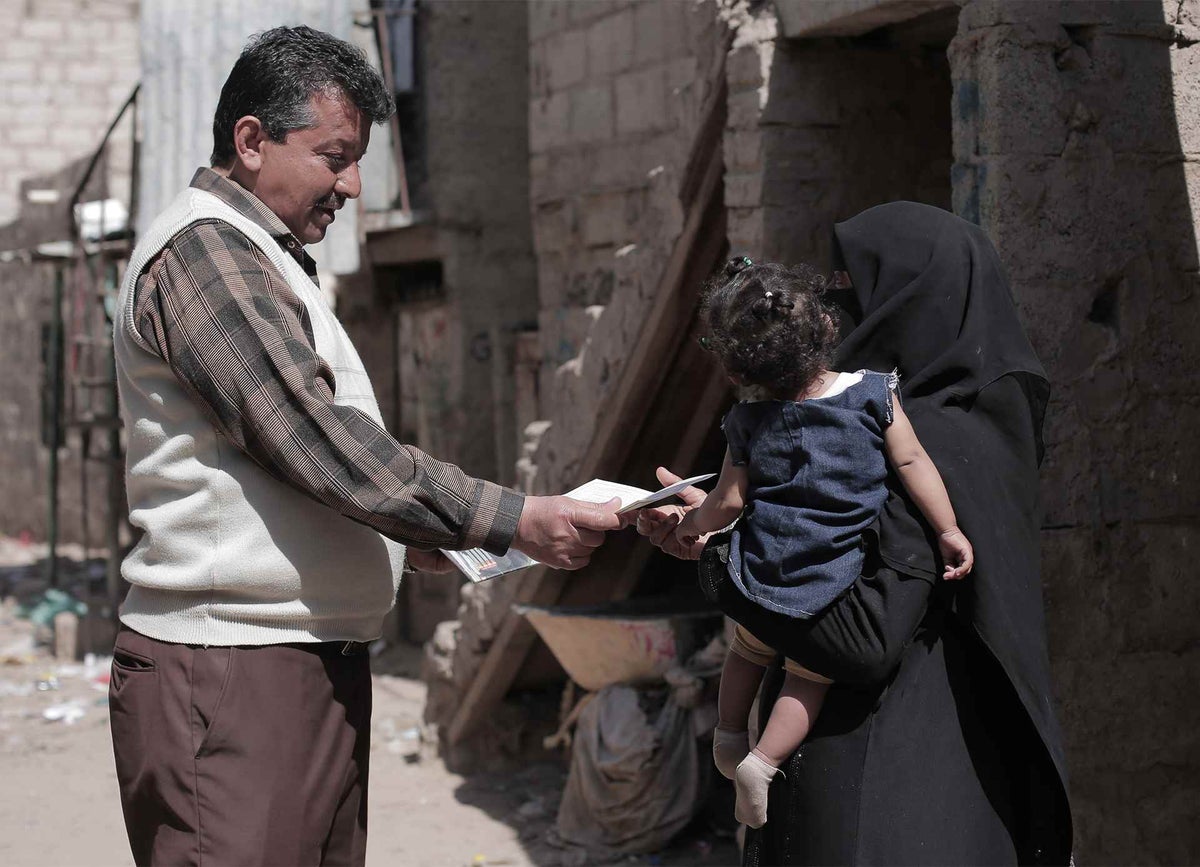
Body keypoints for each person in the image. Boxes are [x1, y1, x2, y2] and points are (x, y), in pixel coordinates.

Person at [108, 26, 619, 866]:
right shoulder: (205, 251)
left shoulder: (263, 258)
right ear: (250, 141)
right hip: (231, 674)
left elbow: (293, 472)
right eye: (333, 155)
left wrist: (402, 539)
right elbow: (315, 440)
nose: (349, 184)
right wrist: (512, 518)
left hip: (296, 666)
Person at [637, 203, 1072, 864]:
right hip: (966, 788)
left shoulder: (904, 436)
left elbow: (863, 638)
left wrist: (720, 546)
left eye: (850, 288)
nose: (834, 315)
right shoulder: (980, 418)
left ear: (903, 298)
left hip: (871, 794)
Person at [673, 257, 974, 829]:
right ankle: (762, 764)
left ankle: (730, 733)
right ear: (825, 326)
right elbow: (912, 461)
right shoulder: (874, 395)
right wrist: (948, 529)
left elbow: (729, 502)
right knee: (807, 676)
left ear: (738, 366)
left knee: (748, 647)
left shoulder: (747, 421)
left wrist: (693, 527)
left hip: (761, 569)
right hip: (832, 579)